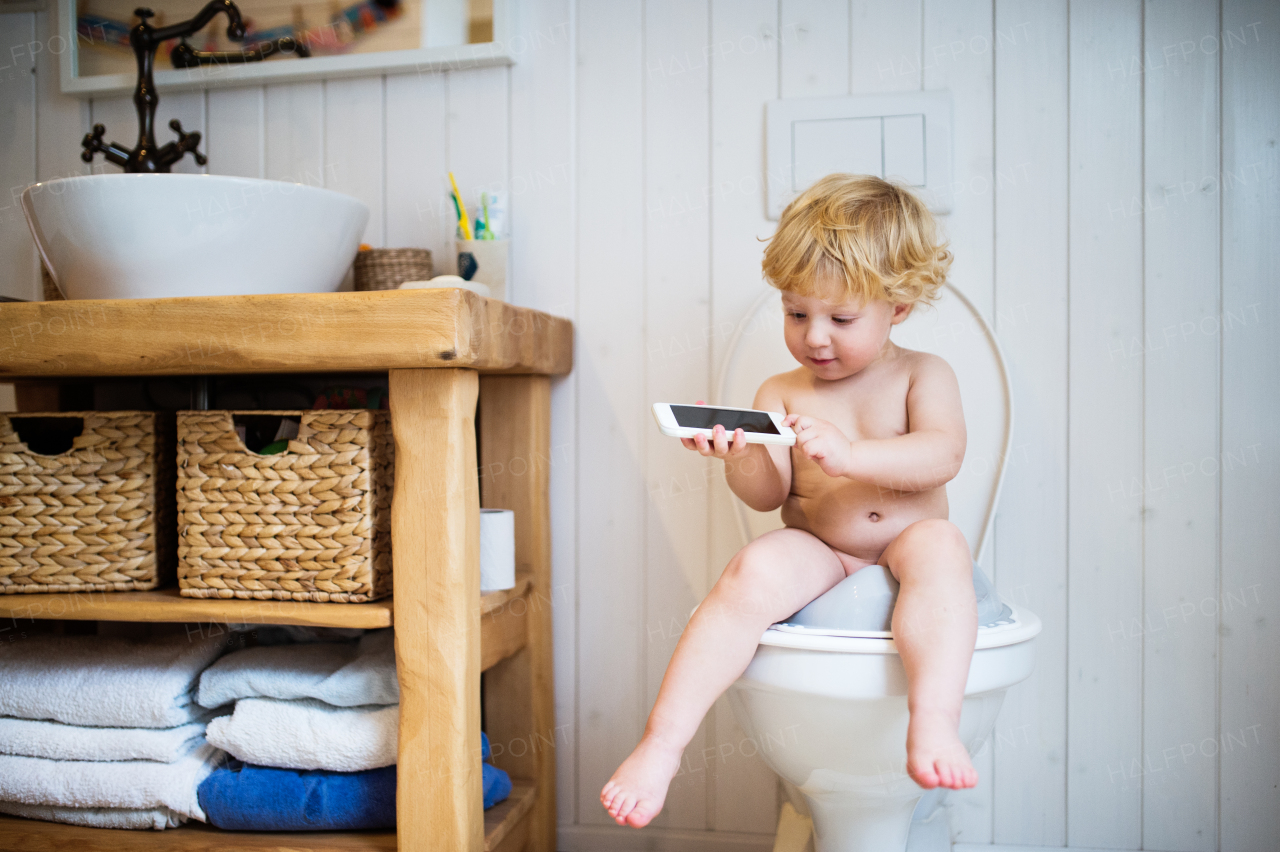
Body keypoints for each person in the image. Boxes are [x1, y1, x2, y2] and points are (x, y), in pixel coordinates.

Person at [601, 173, 979, 829]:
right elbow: (769, 494)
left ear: (899, 307)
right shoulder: (781, 388)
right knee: (750, 572)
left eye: (840, 318)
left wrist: (850, 455)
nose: (815, 337)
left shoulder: (923, 374)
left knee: (943, 547)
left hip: (903, 546)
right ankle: (662, 743)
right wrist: (743, 455)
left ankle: (935, 720)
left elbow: (942, 455)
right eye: (796, 312)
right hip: (823, 553)